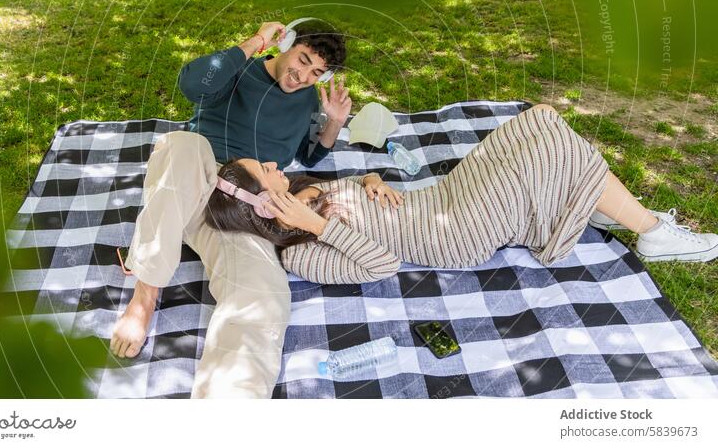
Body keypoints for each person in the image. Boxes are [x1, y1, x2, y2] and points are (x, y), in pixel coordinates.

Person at [204, 104, 718, 285]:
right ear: (262, 203)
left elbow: (358, 189)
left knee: (539, 120)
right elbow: (382, 265)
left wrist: (370, 181)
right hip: (457, 233)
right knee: (556, 151)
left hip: (442, 197)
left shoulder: (305, 190)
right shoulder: (301, 254)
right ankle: (651, 233)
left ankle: (589, 203)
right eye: (264, 171)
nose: (274, 165)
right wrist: (320, 226)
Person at [109, 18, 352, 398]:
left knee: (264, 295)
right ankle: (145, 296)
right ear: (284, 44)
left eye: (317, 72)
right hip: (195, 179)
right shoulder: (241, 71)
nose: (304, 76)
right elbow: (192, 83)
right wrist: (255, 42)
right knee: (183, 144)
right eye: (302, 60)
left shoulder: (307, 100)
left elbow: (309, 155)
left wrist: (333, 124)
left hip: (246, 204)